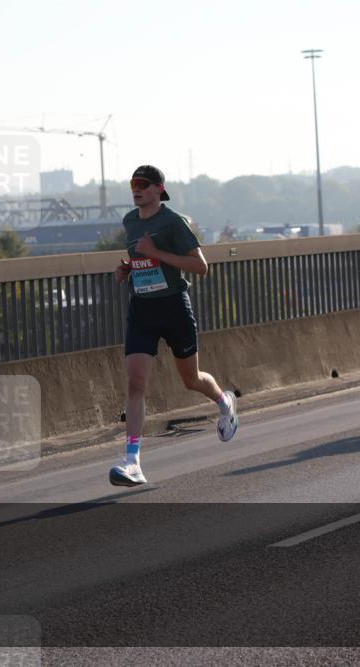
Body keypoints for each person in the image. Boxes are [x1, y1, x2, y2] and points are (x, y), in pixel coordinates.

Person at [109, 166, 238, 487]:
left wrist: (156, 254)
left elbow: (200, 266)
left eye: (142, 185)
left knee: (191, 379)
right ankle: (132, 462)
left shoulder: (173, 222)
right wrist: (129, 267)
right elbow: (141, 257)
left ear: (158, 189)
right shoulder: (130, 222)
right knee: (136, 383)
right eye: (132, 185)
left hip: (174, 306)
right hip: (142, 307)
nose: (136, 190)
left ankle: (224, 402)